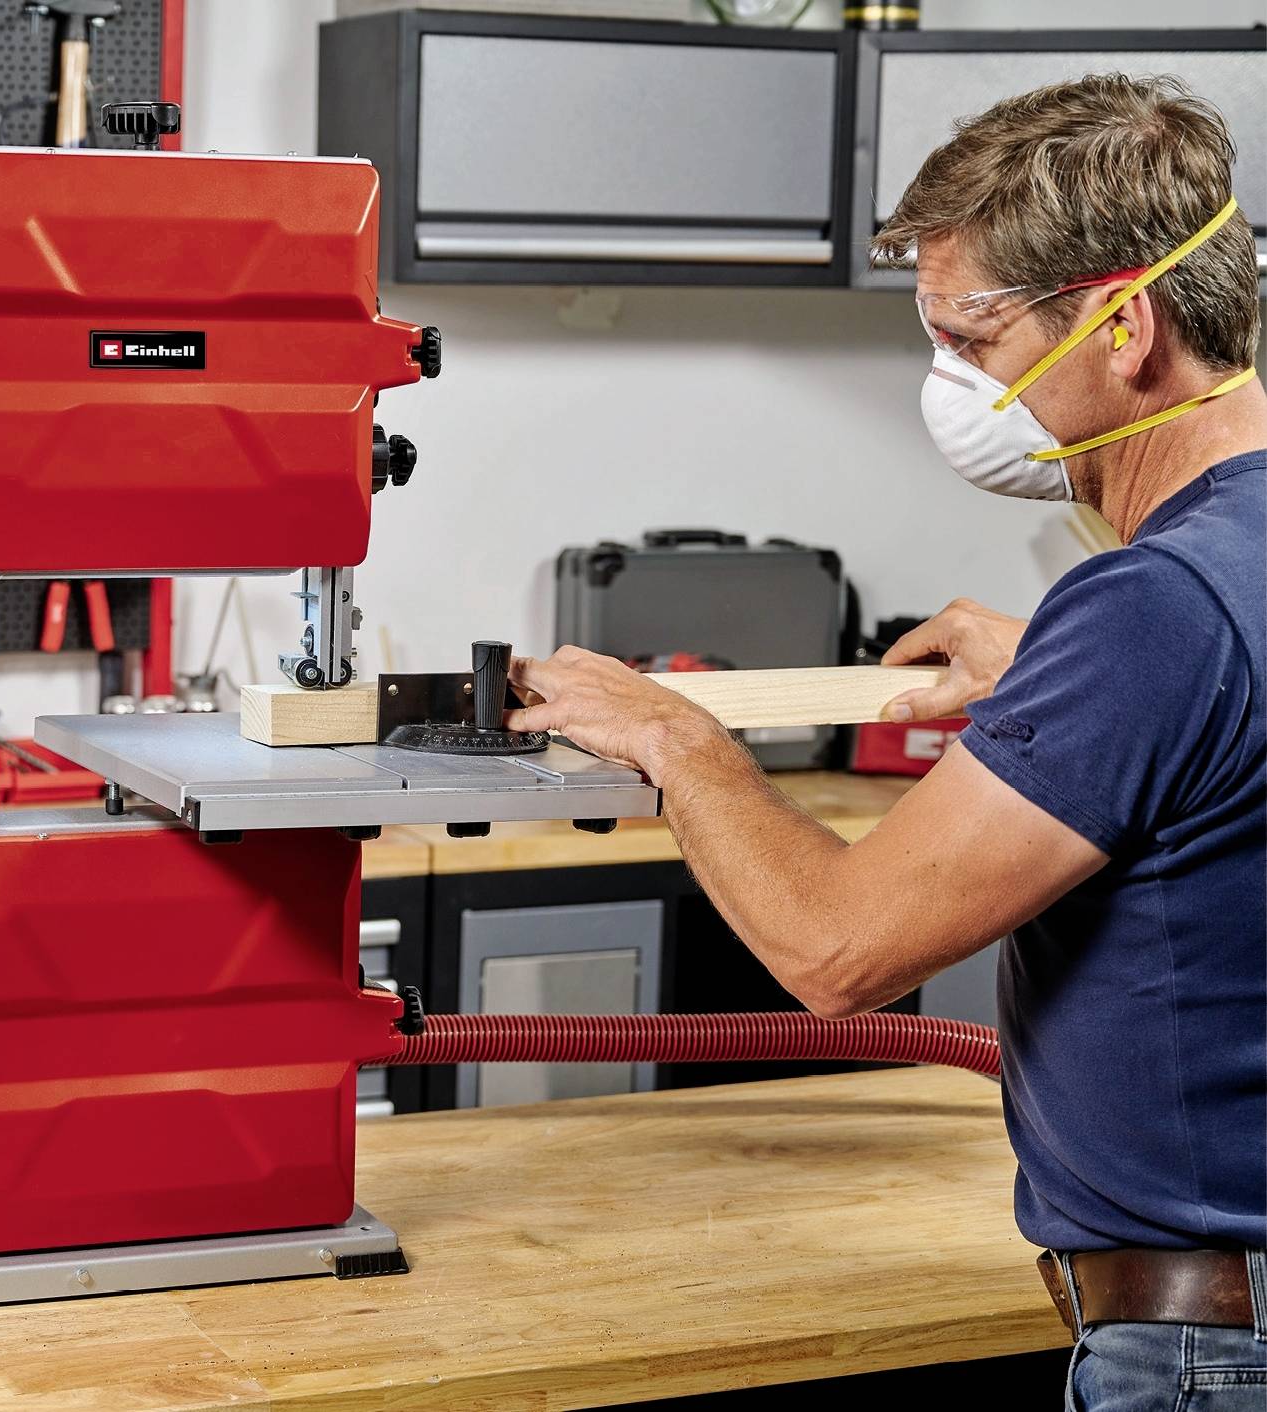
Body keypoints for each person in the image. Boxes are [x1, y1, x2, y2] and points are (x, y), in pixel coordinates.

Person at [506, 75, 1265, 1410]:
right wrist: (1055, 678)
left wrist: (679, 740)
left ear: (1125, 320)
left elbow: (840, 951)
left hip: (1204, 1346)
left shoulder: (1152, 608)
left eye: (971, 339)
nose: (954, 384)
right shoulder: (1211, 582)